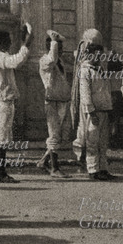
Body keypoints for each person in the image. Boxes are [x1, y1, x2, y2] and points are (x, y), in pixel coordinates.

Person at [0, 23, 31, 183]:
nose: (10, 44)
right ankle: (0, 173)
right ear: (2, 42)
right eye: (8, 41)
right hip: (3, 100)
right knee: (1, 137)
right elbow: (15, 62)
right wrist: (25, 45)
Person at [77, 29, 116, 181]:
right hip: (93, 112)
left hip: (104, 110)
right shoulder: (85, 70)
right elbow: (85, 94)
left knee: (103, 142)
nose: (99, 57)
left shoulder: (99, 70)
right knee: (92, 142)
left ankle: (103, 169)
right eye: (96, 55)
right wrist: (91, 112)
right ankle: (93, 169)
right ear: (90, 54)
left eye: (100, 55)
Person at [38, 30, 71, 178]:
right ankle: (54, 168)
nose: (61, 50)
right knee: (54, 134)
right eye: (58, 47)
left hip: (62, 100)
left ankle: (44, 161)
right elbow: (52, 59)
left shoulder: (60, 62)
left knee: (61, 135)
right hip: (52, 101)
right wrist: (54, 43)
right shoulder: (45, 60)